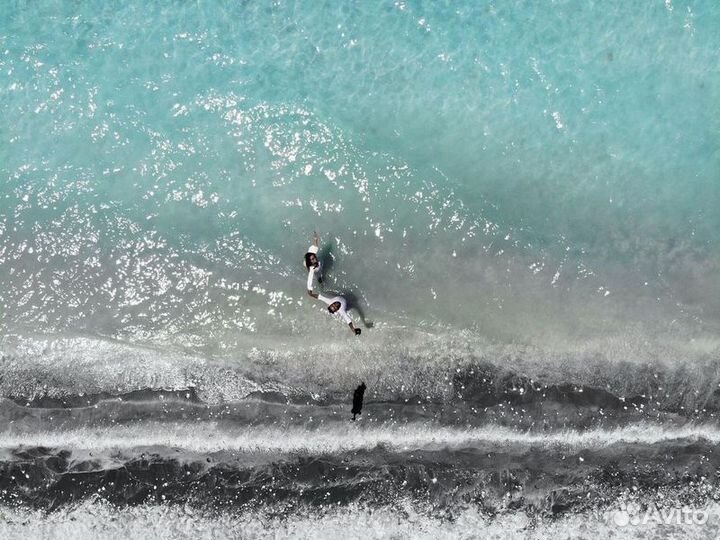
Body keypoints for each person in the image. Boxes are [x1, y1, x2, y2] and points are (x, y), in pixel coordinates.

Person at [304, 231, 323, 297]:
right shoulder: (312, 269)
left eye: (314, 257)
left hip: (309, 260)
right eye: (312, 259)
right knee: (319, 278)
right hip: (312, 267)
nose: (315, 259)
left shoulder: (313, 252)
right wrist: (310, 291)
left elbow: (315, 245)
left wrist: (315, 238)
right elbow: (310, 279)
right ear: (311, 262)